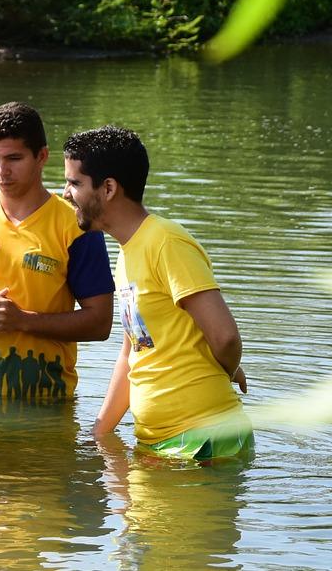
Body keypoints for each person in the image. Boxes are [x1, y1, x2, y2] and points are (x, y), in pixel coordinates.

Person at [62, 125, 252, 461]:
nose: (65, 193)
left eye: (74, 182)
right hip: (163, 445)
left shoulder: (166, 242)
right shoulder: (128, 252)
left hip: (202, 443)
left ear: (108, 188)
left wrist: (222, 368)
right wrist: (99, 435)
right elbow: (133, 353)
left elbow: (225, 338)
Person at [0, 102, 113, 400]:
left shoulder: (76, 224)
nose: (1, 171)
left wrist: (22, 320)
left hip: (48, 404)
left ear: (42, 156)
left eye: (14, 158)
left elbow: (100, 323)